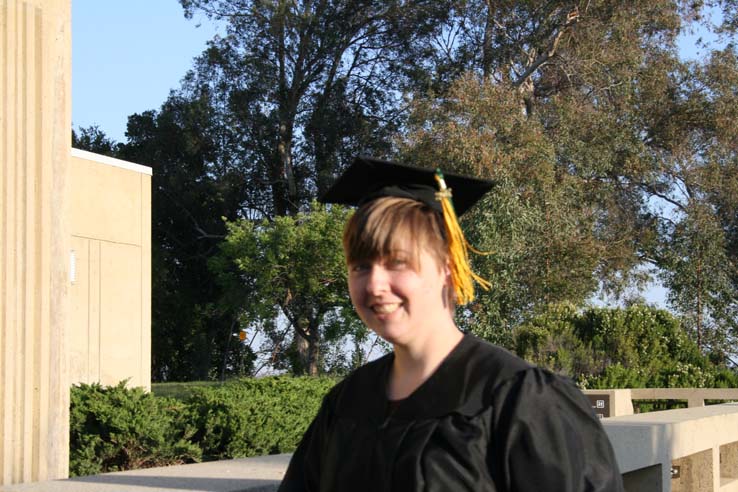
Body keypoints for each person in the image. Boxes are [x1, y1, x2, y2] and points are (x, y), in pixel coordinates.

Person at [278, 156, 624, 491]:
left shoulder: (520, 401)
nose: (375, 285)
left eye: (397, 262)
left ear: (447, 266)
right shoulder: (346, 404)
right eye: (360, 267)